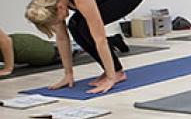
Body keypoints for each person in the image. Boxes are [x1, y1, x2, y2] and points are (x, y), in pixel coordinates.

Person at [24, 0, 145, 93]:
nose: (58, 23)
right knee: (75, 26)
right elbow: (62, 38)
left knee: (84, 28)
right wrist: (68, 74)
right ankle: (112, 68)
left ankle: (116, 73)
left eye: (57, 21)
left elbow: (100, 39)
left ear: (60, 7)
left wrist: (111, 78)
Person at [0, 29, 129, 77]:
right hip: (24, 45)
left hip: (28, 48)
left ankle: (113, 40)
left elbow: (6, 41)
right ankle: (112, 39)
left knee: (73, 49)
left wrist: (8, 68)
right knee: (72, 45)